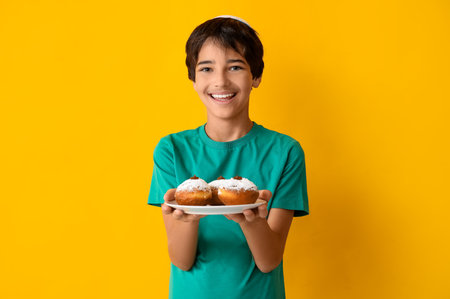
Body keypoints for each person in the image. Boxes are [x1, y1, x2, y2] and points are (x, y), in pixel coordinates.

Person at [148, 15, 309, 299]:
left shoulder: (285, 152)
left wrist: (251, 221)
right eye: (206, 68)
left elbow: (269, 261)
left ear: (256, 76)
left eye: (235, 67)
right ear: (194, 79)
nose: (220, 81)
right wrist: (186, 220)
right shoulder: (172, 150)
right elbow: (182, 261)